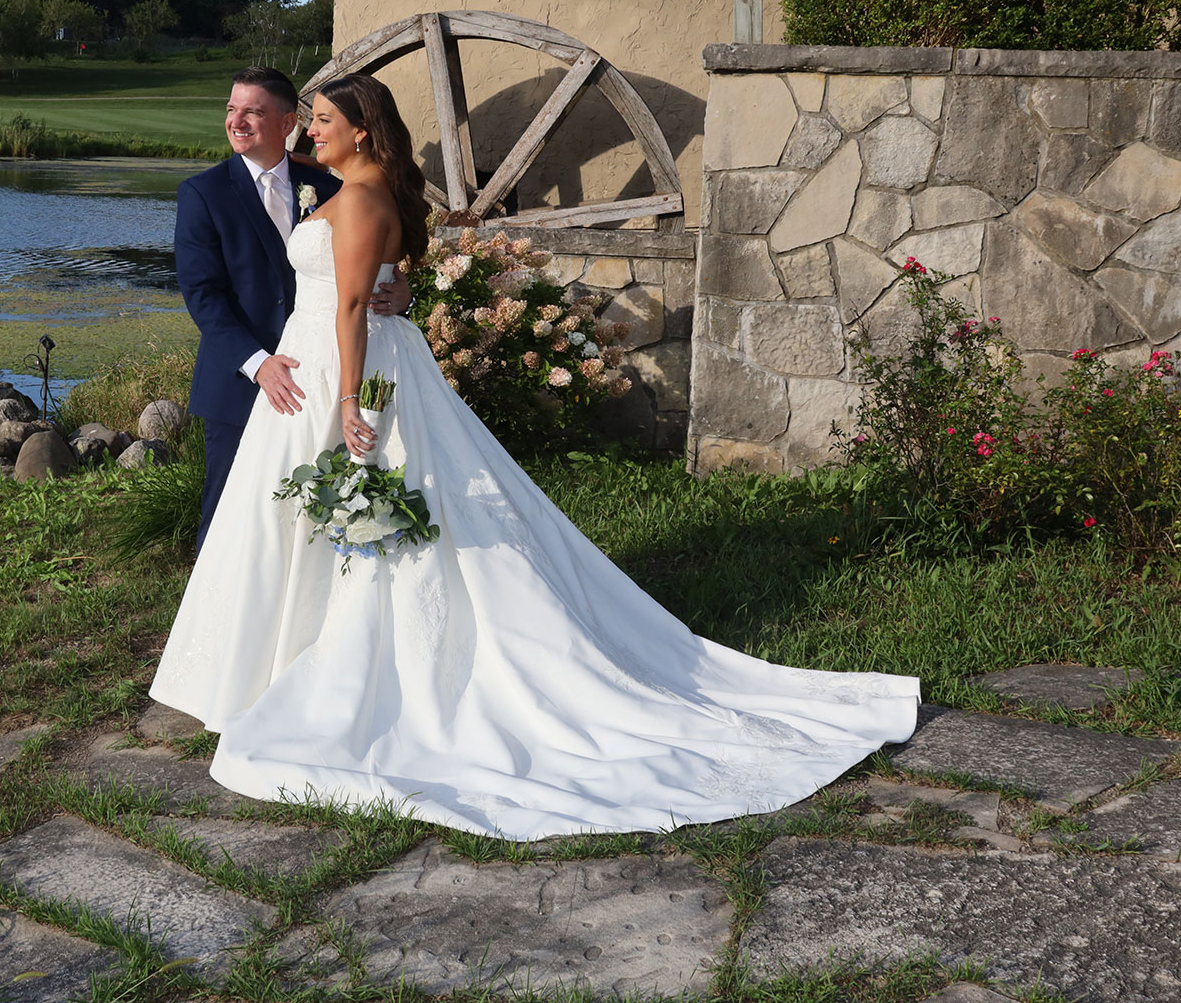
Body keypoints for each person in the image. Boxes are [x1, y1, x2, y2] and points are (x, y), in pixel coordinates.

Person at [152, 73, 920, 841]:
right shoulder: (356, 185)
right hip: (311, 359)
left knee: (351, 514)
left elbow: (352, 301)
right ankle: (266, 664)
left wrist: (350, 399)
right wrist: (400, 292)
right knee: (292, 518)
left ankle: (325, 673)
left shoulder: (352, 193)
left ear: (360, 129)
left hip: (337, 368)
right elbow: (375, 275)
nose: (308, 131)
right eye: (309, 119)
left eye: (320, 120)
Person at [175, 66, 410, 549]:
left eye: (253, 112)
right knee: (230, 510)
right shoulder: (203, 192)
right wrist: (259, 365)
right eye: (231, 109)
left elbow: (367, 258)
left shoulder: (330, 181)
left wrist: (400, 289)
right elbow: (202, 295)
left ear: (287, 124)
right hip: (243, 377)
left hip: (324, 373)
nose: (237, 121)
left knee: (311, 512)